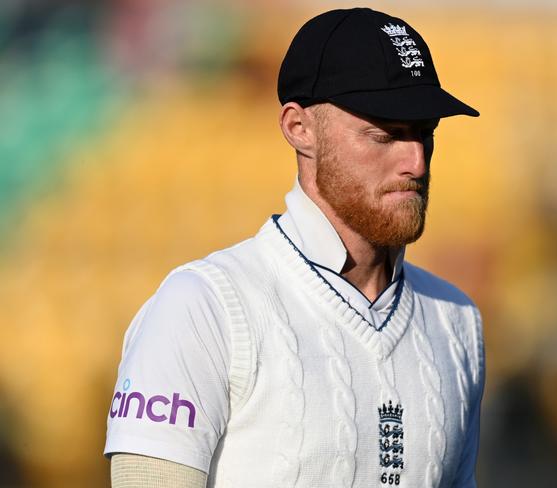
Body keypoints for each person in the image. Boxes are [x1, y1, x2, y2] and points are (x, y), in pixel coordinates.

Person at [105, 7, 485, 488]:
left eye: (425, 132)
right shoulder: (203, 307)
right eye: (385, 134)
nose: (416, 161)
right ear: (298, 129)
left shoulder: (457, 321)